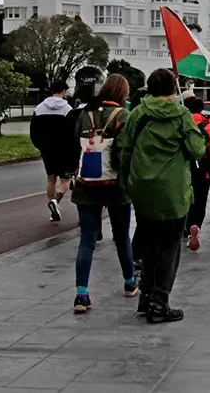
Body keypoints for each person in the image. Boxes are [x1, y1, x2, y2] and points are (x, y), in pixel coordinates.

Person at [118, 69, 205, 324]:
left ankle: (145, 296)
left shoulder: (137, 114)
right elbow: (196, 150)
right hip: (172, 191)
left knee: (148, 243)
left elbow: (125, 149)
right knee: (169, 246)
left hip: (142, 189)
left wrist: (126, 184)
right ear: (172, 89)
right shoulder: (181, 115)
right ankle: (160, 301)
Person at [70, 74, 138, 314]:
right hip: (115, 185)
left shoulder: (84, 115)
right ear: (122, 94)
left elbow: (74, 146)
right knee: (121, 236)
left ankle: (81, 295)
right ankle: (130, 282)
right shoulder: (123, 116)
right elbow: (125, 153)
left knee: (87, 239)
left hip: (86, 183)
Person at [30, 80, 74, 222]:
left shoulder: (39, 108)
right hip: (64, 149)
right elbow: (72, 131)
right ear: (64, 91)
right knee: (66, 179)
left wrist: (40, 145)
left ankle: (53, 210)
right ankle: (56, 200)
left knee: (51, 178)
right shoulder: (67, 109)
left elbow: (33, 131)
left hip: (47, 148)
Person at [183, 96, 210, 251]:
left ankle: (186, 227)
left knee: (186, 201)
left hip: (184, 170)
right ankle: (196, 225)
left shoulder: (183, 124)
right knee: (200, 201)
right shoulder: (208, 126)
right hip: (204, 171)